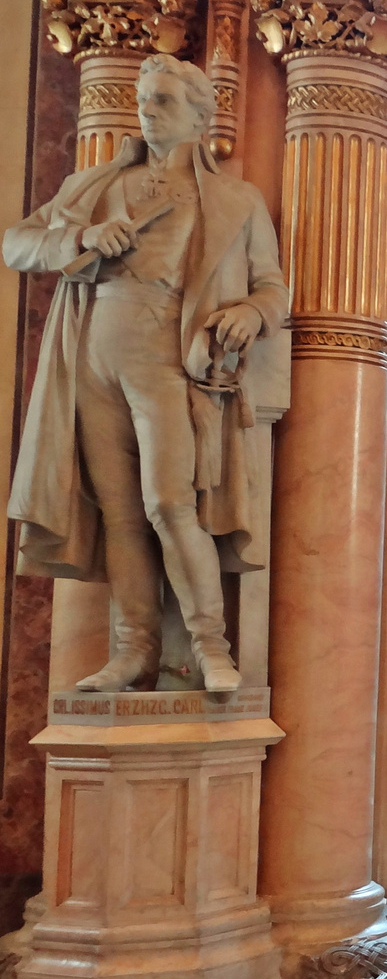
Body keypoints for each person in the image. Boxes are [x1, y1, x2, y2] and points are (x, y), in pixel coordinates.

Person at [3, 54, 289, 693]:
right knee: (120, 512)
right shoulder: (93, 185)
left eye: (163, 100)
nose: (148, 111)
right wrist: (78, 241)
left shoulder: (236, 200)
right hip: (92, 357)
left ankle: (211, 647)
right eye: (143, 99)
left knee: (167, 501)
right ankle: (133, 651)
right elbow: (16, 244)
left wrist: (249, 309)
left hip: (169, 360)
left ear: (199, 115)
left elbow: (274, 288)